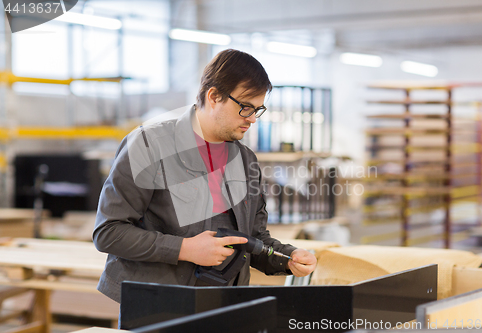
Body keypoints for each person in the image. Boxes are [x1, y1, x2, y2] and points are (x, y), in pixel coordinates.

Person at [93, 49, 317, 304]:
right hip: (159, 305)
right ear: (214, 96)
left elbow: (252, 239)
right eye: (245, 107)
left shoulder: (244, 160)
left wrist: (287, 258)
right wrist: (185, 249)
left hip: (224, 303)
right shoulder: (149, 145)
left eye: (258, 109)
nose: (253, 119)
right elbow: (109, 232)